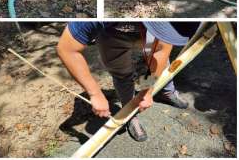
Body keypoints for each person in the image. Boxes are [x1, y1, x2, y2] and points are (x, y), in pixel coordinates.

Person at [57, 22, 197, 142]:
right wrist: (95, 94)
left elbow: (160, 52)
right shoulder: (95, 18)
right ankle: (130, 113)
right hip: (111, 32)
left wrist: (147, 91)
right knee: (122, 73)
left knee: (161, 60)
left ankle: (165, 91)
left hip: (150, 27)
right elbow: (67, 48)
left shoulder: (172, 21)